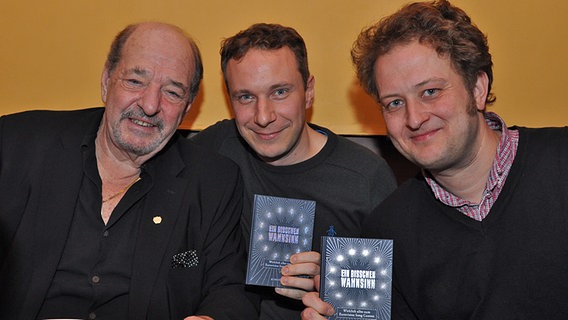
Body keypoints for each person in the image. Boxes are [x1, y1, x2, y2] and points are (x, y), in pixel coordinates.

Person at [301, 0, 568, 319]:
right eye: (395, 103)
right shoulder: (386, 232)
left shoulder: (560, 161)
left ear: (478, 88)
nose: (414, 118)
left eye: (430, 92)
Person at [0, 22, 258, 319]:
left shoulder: (213, 181)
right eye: (136, 81)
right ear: (107, 81)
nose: (150, 105)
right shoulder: (17, 145)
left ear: (188, 108)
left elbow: (231, 289)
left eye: (172, 92)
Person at [191, 23, 397, 319]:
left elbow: (393, 298)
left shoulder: (365, 177)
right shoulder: (215, 150)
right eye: (246, 97)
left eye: (279, 92)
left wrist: (330, 291)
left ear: (308, 92)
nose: (264, 117)